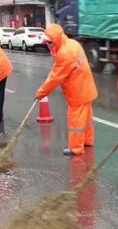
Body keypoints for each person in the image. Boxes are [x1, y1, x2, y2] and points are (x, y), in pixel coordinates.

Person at [36, 24, 98, 156]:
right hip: (85, 88)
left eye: (48, 43)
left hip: (78, 92)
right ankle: (87, 141)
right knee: (86, 119)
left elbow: (55, 77)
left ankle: (76, 148)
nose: (47, 46)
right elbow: (58, 70)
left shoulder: (65, 53)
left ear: (55, 41)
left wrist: (41, 92)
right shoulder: (71, 44)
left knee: (76, 121)